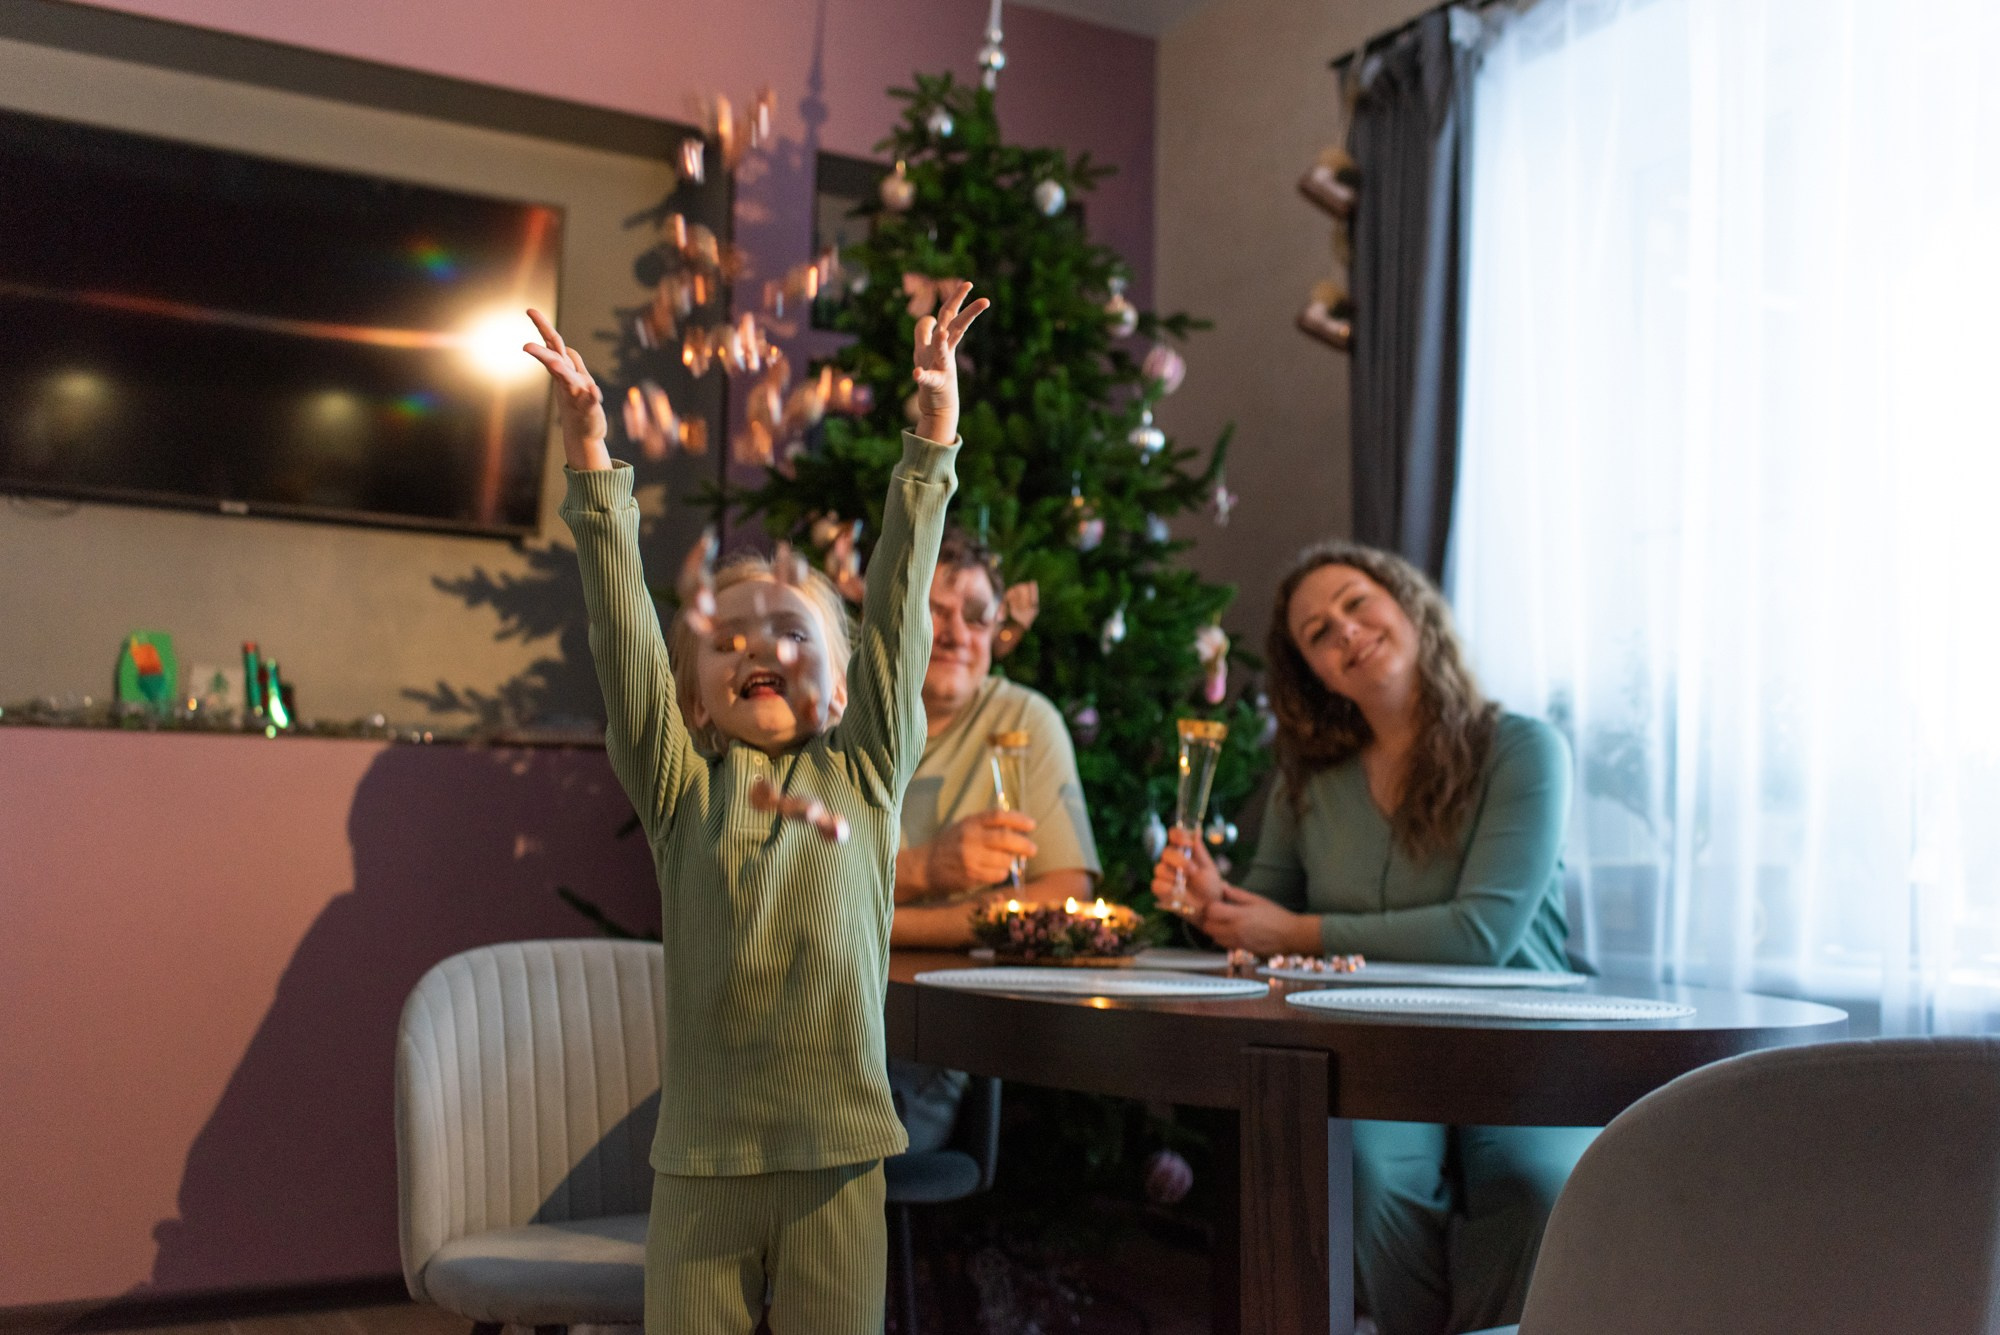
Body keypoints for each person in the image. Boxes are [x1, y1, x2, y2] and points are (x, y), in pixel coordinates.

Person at [525, 281, 988, 1335]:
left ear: (844, 685)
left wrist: (930, 443)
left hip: (841, 1160)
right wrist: (591, 455)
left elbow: (900, 607)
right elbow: (622, 635)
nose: (759, 650)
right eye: (727, 641)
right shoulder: (679, 784)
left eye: (790, 632)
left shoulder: (866, 767)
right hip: (702, 1165)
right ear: (692, 697)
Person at [1152, 540, 1594, 1335]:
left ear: (1410, 607)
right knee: (1365, 1175)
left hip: (1521, 1042)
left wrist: (1293, 930)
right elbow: (1262, 914)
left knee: (1537, 1187)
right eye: (1318, 633)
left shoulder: (1525, 749)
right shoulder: (1307, 783)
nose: (1345, 631)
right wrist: (1211, 902)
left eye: (1356, 603)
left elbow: (1481, 935)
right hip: (1375, 1048)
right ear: (1315, 674)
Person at [887, 528, 1101, 1150]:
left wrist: (876, 923)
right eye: (935, 611)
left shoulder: (1025, 722)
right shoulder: (837, 714)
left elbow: (1064, 896)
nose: (957, 634)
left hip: (923, 1046)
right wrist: (925, 870)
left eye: (978, 616)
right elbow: (784, 886)